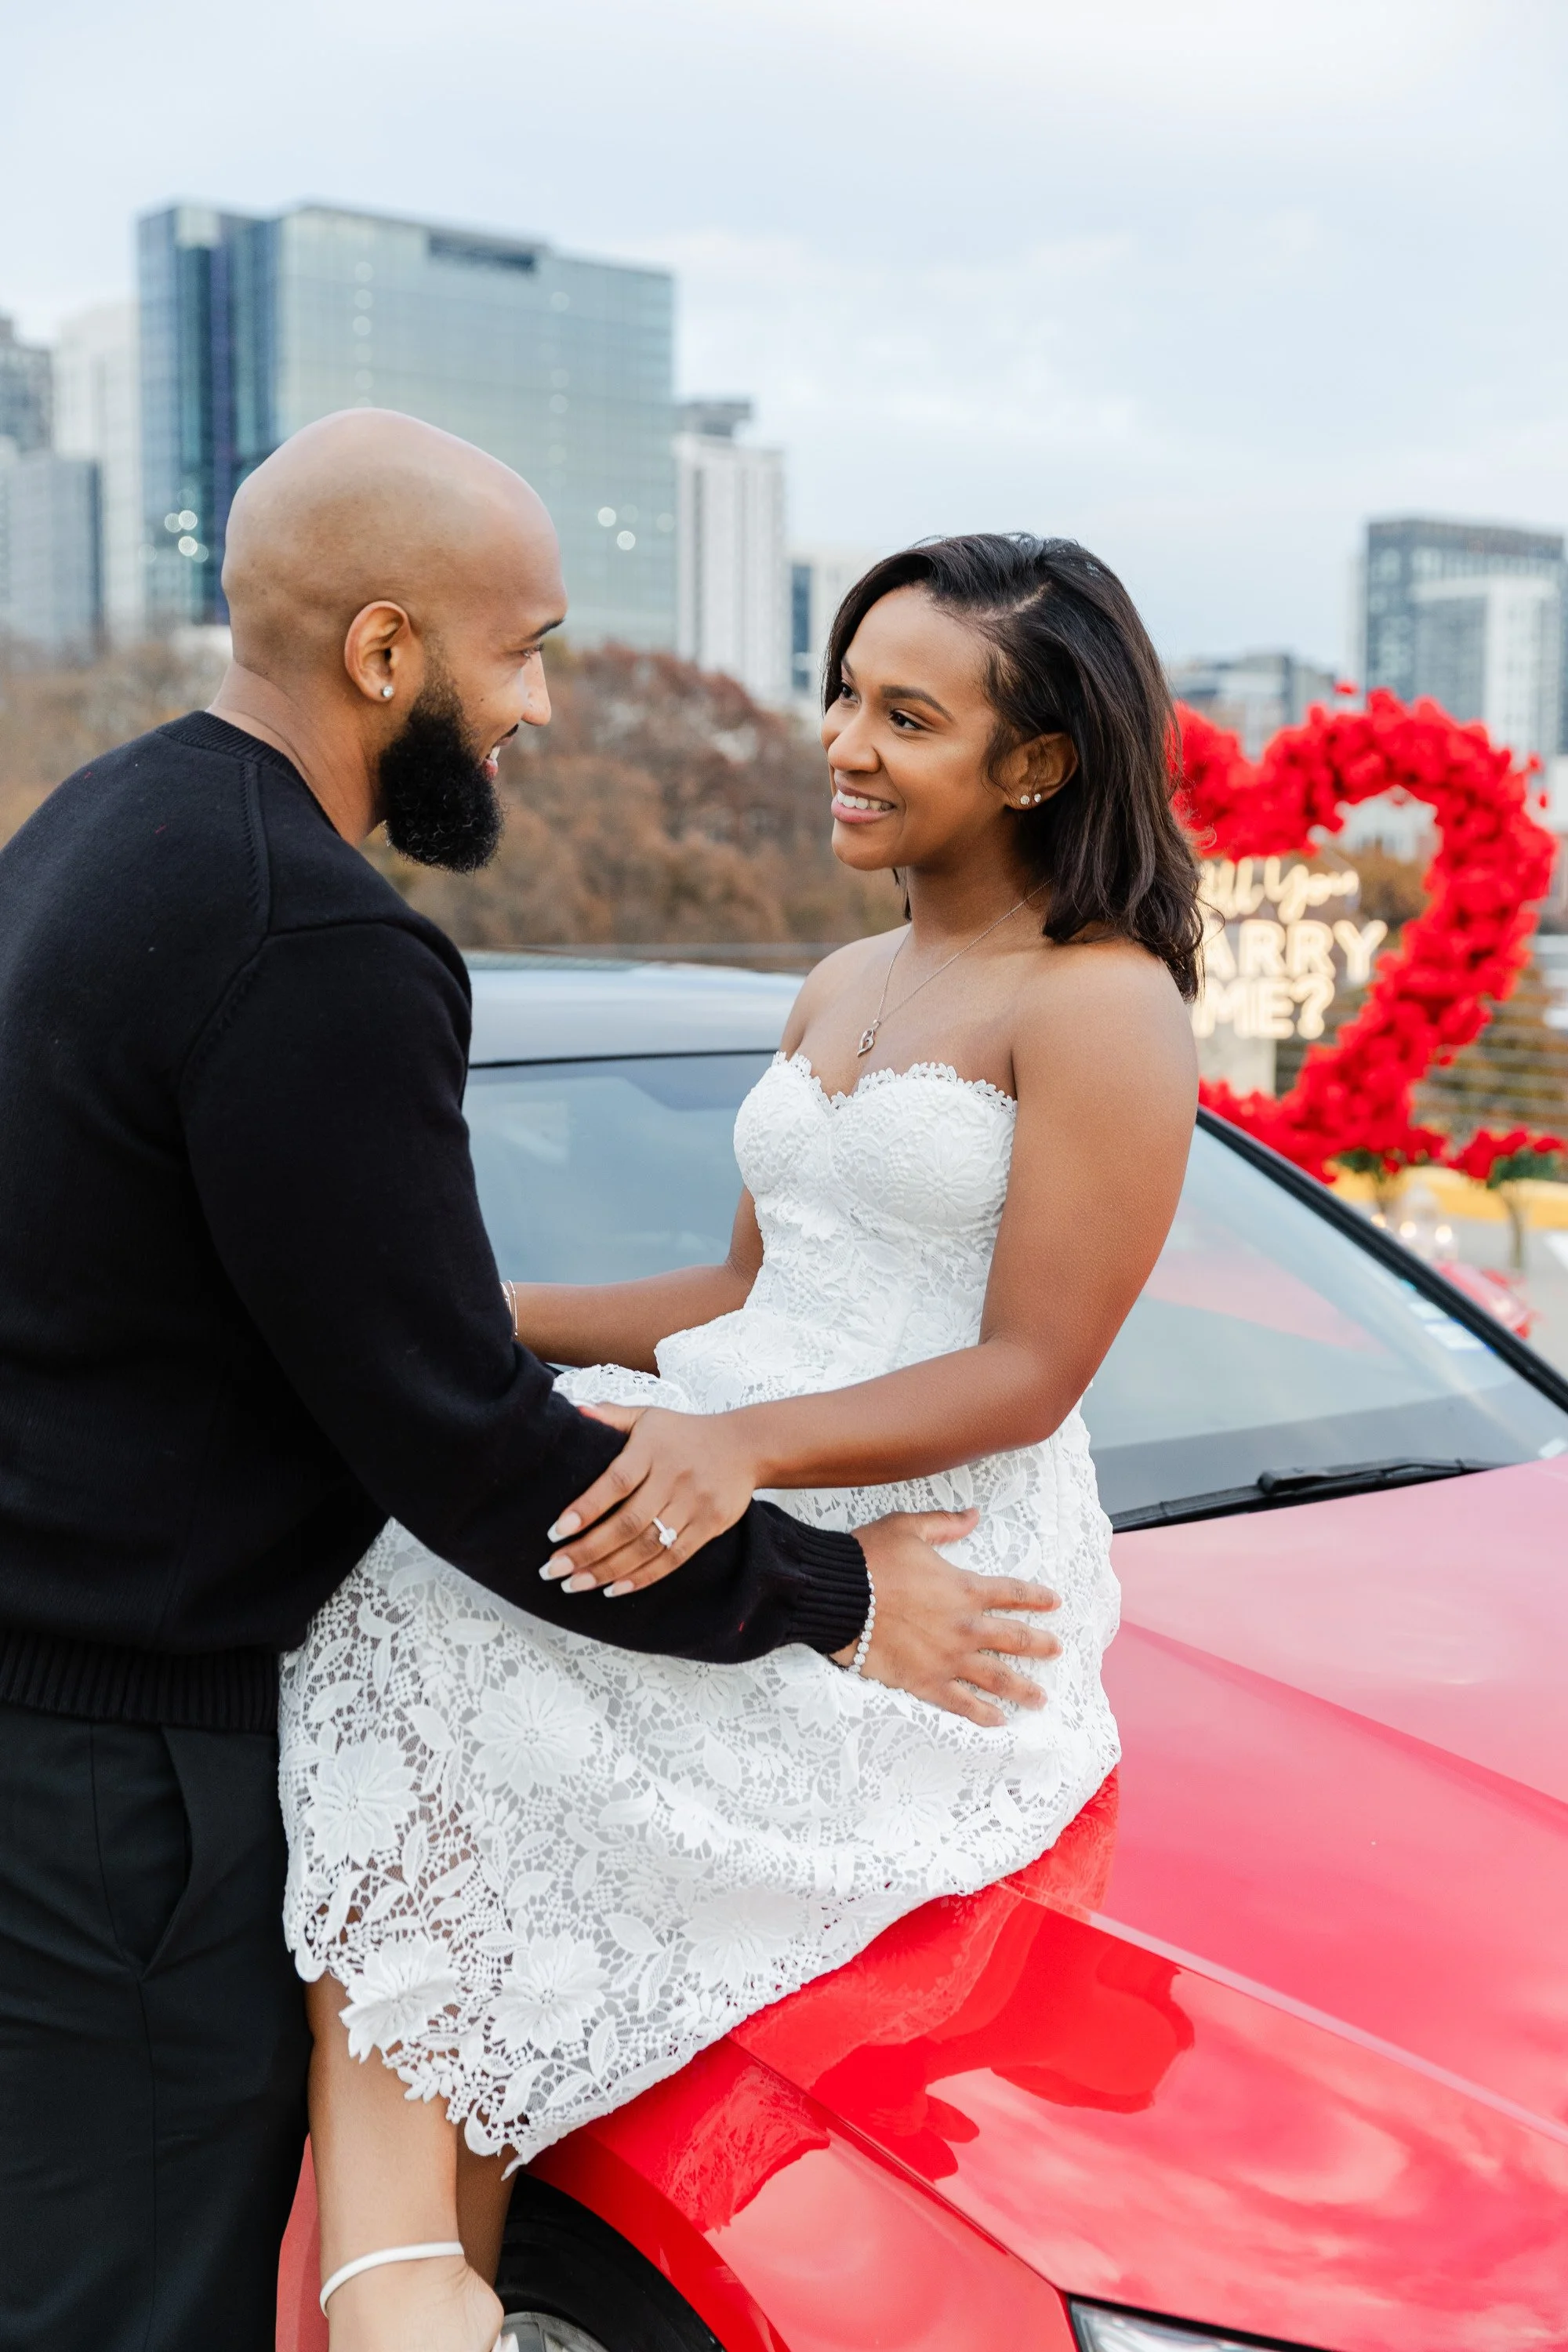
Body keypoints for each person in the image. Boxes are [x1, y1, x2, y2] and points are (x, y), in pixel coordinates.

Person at [0, 416, 1058, 2352]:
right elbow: (466, 1464)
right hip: (123, 1771)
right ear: (388, 656)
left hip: (55, 1701)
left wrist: (486, 1334)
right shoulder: (314, 941)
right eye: (523, 650)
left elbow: (280, 1316)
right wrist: (837, 1601)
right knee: (123, 2306)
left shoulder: (99, 827)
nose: (544, 706)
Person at [286, 532, 1201, 2352]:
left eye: (906, 716)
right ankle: (429, 2284)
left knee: (456, 1628)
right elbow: (734, 1288)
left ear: (1036, 763)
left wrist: (743, 1456)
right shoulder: (839, 979)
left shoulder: (1101, 1002)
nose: (844, 744)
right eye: (844, 695)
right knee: (424, 1587)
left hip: (936, 1563)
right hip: (744, 1465)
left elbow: (1028, 1369)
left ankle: (392, 2282)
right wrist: (461, 1306)